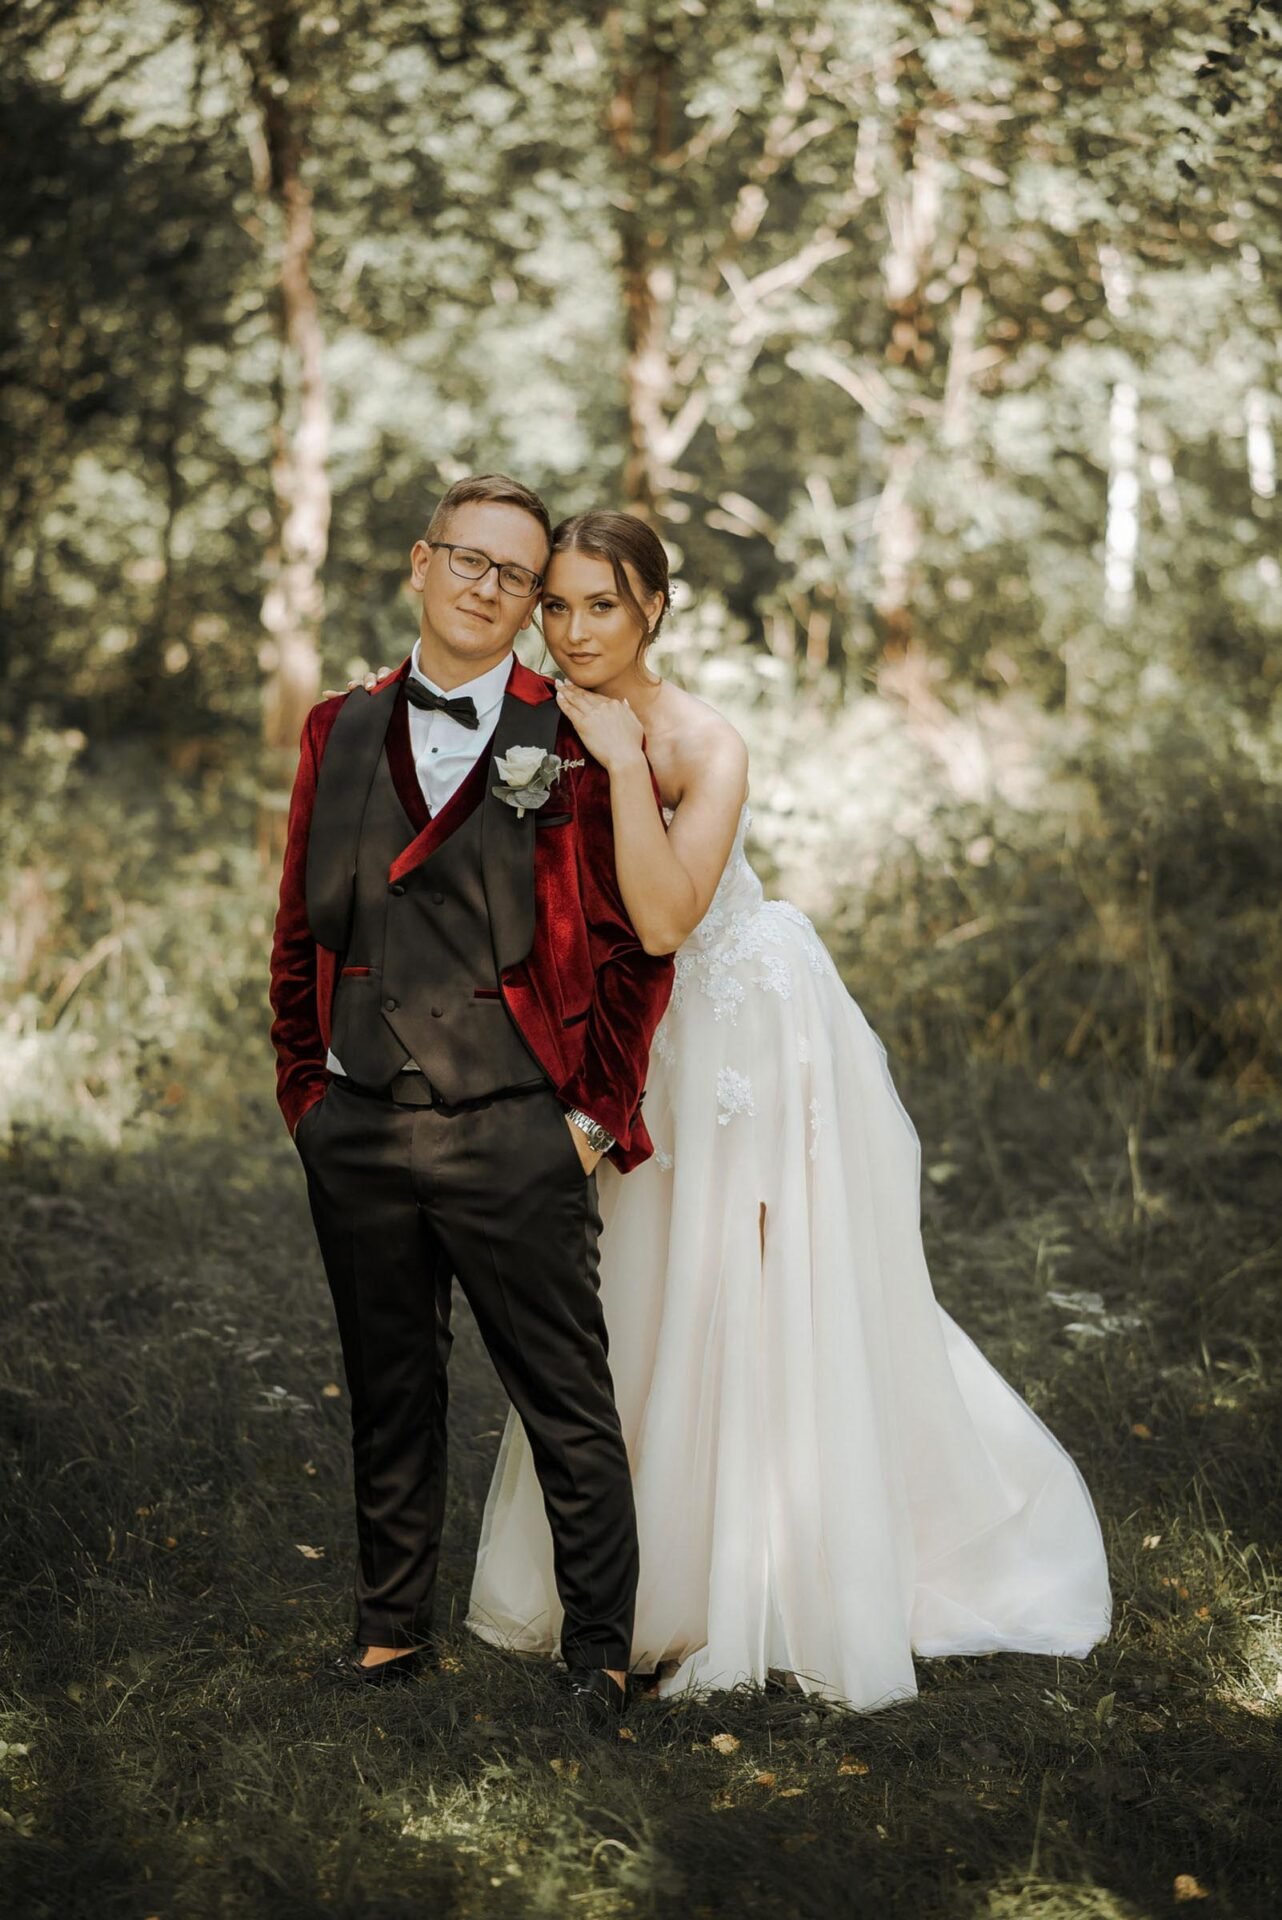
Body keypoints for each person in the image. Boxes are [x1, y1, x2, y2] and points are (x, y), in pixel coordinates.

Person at [459, 509, 1113, 1712]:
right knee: (630, 1295)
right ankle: (632, 1581)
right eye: (555, 604)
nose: (572, 628)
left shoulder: (704, 740)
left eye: (601, 603)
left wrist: (610, 765)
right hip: (618, 1037)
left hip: (735, 1026)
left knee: (746, 1287)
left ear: (654, 608)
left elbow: (662, 919)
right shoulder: (526, 723)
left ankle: (764, 1571)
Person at [268, 476, 674, 1723]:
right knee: (390, 1384)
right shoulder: (337, 726)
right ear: (419, 563)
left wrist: (592, 1115)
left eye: (515, 574)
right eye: (468, 559)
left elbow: (631, 951)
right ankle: (391, 1633)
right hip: (359, 1116)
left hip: (515, 1119)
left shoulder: (580, 738)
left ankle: (599, 1650)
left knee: (564, 1394)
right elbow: (296, 924)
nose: (487, 588)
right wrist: (304, 1091)